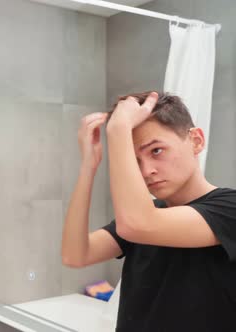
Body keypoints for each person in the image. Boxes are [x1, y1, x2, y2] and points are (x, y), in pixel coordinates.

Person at [61, 91, 236, 331]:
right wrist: (88, 167)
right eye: (135, 161)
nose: (146, 171)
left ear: (196, 140)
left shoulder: (229, 208)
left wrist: (119, 130)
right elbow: (76, 254)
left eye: (156, 151)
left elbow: (139, 225)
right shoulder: (148, 214)